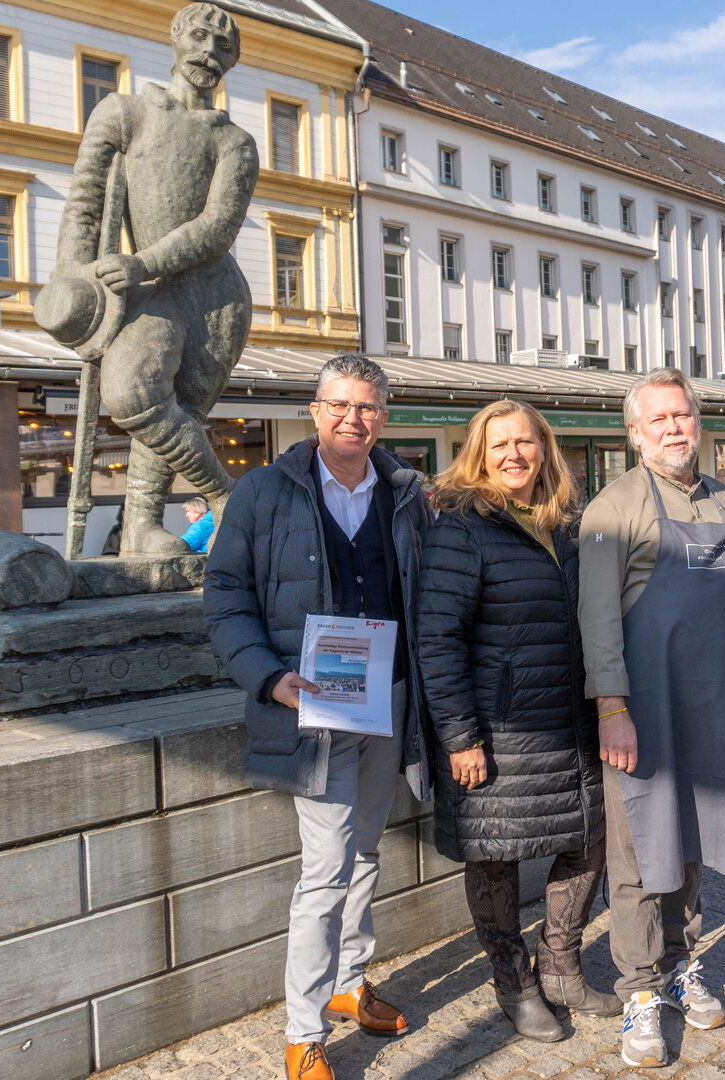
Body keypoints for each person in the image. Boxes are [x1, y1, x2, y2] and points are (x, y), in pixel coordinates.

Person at [203, 355, 434, 1080]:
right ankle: (303, 1030)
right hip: (314, 699)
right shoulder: (262, 491)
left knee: (366, 848)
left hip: (388, 693)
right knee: (327, 865)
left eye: (366, 408)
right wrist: (268, 679)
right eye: (339, 405)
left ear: (383, 417)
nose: (352, 420)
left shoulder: (407, 492)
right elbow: (224, 594)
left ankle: (348, 982)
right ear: (315, 411)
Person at [416, 400, 618, 1043]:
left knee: (588, 840)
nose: (513, 455)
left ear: (544, 449)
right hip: (499, 730)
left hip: (570, 722)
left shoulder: (570, 524)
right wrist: (460, 736)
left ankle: (560, 965)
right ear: (478, 453)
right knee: (496, 858)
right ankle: (514, 980)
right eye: (498, 444)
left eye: (525, 442)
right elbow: (437, 638)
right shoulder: (462, 527)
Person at [578, 368, 725, 1069]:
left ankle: (683, 964)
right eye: (658, 420)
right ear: (635, 432)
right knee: (637, 855)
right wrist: (613, 710)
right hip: (643, 706)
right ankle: (639, 991)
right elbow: (596, 620)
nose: (674, 428)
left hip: (714, 704)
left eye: (682, 415)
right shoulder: (611, 508)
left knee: (693, 840)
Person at [43, 2, 258, 555]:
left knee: (179, 413)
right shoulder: (122, 112)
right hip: (150, 291)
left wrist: (141, 263)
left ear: (233, 61)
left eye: (224, 46)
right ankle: (223, 494)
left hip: (216, 299)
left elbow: (216, 228)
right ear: (175, 39)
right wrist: (73, 278)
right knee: (133, 394)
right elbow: (85, 205)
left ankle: (140, 527)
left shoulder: (234, 142)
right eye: (201, 37)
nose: (211, 52)